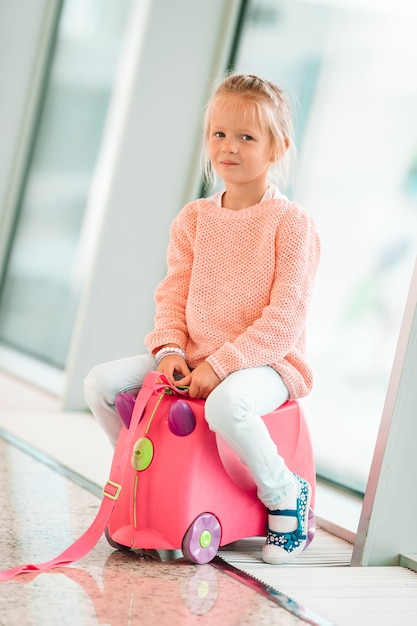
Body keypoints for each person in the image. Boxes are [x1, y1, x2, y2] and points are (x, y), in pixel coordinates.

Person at [84, 73, 320, 565]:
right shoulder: (193, 219)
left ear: (277, 147)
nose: (228, 147)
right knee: (100, 384)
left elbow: (284, 319)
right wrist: (169, 351)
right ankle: (141, 476)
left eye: (246, 137)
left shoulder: (291, 223)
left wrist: (223, 366)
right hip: (193, 357)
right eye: (219, 134)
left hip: (268, 364)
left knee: (225, 406)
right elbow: (171, 297)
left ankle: (284, 495)